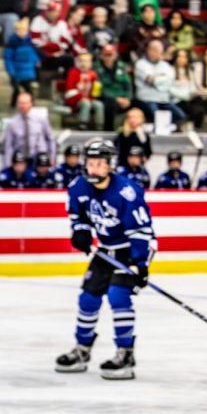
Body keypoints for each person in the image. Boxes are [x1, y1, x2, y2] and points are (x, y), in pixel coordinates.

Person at [55, 138, 154, 381]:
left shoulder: (127, 192)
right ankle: (82, 350)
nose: (94, 168)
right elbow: (78, 215)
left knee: (118, 296)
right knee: (88, 298)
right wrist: (80, 231)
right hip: (105, 249)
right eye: (90, 163)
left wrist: (140, 265)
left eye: (100, 163)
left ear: (110, 165)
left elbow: (142, 232)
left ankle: (125, 352)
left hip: (131, 249)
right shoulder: (79, 186)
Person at [133, 39, 189, 128]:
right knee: (158, 118)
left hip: (164, 100)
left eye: (160, 51)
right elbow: (151, 80)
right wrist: (161, 79)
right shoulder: (140, 64)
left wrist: (156, 79)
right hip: (147, 100)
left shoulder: (166, 66)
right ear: (149, 50)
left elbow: (169, 81)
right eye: (156, 51)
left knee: (181, 116)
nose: (159, 54)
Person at [2, 90, 55, 162]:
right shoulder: (12, 123)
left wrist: (52, 157)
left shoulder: (41, 119)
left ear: (31, 103)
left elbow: (50, 139)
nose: (23, 106)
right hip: (20, 161)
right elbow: (8, 146)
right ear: (17, 104)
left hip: (39, 160)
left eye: (26, 103)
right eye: (21, 103)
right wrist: (8, 165)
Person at [95, 42, 133, 129]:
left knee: (137, 104)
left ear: (115, 55)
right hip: (104, 96)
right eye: (106, 55)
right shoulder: (96, 68)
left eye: (110, 54)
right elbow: (99, 88)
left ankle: (129, 133)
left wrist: (127, 98)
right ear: (101, 55)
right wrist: (116, 98)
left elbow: (128, 85)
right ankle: (108, 130)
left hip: (122, 97)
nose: (108, 57)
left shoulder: (122, 66)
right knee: (110, 104)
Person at [64, 50, 103, 129]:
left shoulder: (93, 74)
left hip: (89, 98)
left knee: (99, 105)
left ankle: (99, 125)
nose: (83, 63)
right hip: (75, 100)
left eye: (86, 61)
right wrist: (82, 96)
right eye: (81, 61)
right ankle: (82, 124)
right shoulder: (73, 72)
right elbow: (69, 91)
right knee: (86, 103)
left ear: (90, 63)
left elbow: (96, 90)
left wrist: (95, 90)